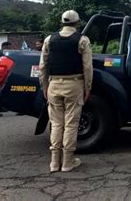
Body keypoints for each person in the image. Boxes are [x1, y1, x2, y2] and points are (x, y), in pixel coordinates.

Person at [39, 10, 93, 172]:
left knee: (56, 124)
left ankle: (54, 162)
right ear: (77, 23)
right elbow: (88, 67)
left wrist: (45, 87)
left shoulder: (49, 39)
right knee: (71, 124)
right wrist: (87, 87)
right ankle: (68, 162)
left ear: (62, 22)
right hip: (74, 84)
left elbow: (43, 66)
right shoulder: (82, 40)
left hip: (54, 85)